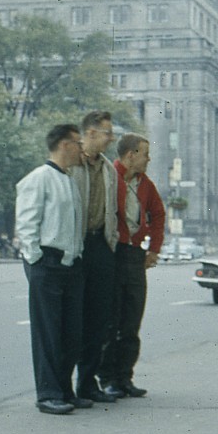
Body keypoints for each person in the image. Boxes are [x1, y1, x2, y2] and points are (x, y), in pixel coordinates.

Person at [15, 123, 86, 415]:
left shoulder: (69, 179)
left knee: (70, 331)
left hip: (70, 263)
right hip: (48, 261)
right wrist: (35, 258)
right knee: (48, 332)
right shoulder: (39, 178)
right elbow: (27, 223)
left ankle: (64, 389)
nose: (82, 149)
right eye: (78, 143)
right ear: (65, 144)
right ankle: (47, 393)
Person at [99, 133, 165, 399]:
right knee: (110, 320)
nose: (148, 159)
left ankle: (125, 376)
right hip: (112, 254)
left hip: (135, 256)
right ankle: (107, 378)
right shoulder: (109, 178)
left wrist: (154, 249)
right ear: (130, 155)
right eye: (145, 153)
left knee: (131, 319)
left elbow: (158, 214)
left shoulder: (145, 183)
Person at [71, 111, 119, 404]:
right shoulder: (71, 165)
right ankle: (67, 386)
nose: (111, 138)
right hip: (75, 247)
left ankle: (88, 384)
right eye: (107, 133)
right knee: (73, 318)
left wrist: (110, 241)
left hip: (100, 245)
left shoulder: (108, 169)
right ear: (89, 133)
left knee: (99, 320)